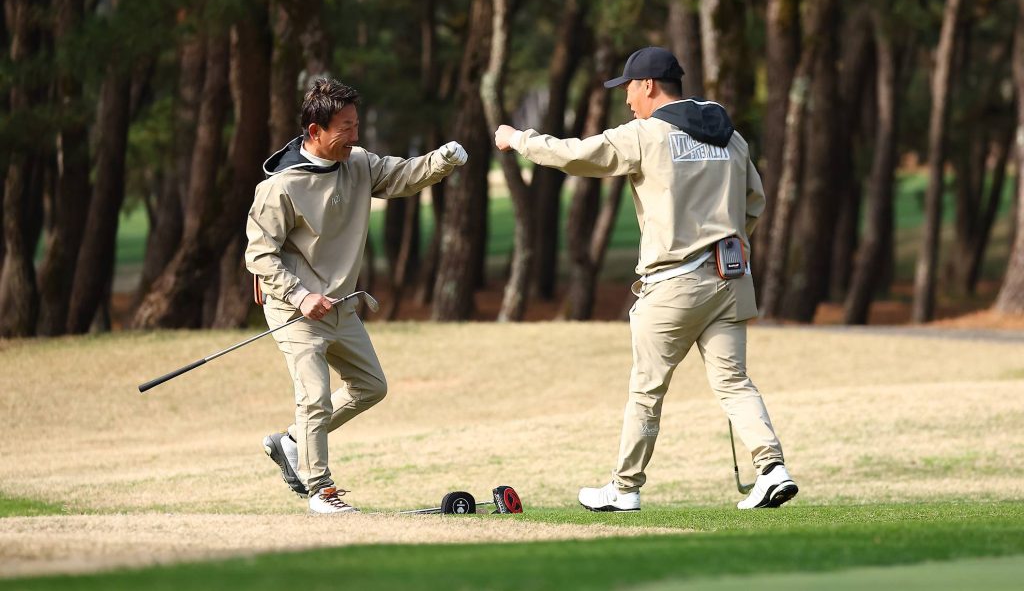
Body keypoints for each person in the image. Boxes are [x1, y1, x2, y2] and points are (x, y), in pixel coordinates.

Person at [494, 47, 797, 511]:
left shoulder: (645, 135)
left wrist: (519, 139)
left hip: (673, 285)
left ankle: (624, 488)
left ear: (649, 85)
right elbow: (754, 200)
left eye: (629, 88)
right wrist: (729, 242)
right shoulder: (730, 137)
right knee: (734, 382)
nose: (627, 99)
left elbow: (576, 155)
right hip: (730, 278)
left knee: (646, 391)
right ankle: (772, 468)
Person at [246, 77, 467, 514]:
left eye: (356, 125)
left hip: (341, 305)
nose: (354, 135)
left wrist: (441, 160)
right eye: (345, 127)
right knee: (314, 396)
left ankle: (292, 442)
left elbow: (401, 176)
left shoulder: (359, 163)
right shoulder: (281, 187)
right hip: (295, 311)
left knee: (370, 387)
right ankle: (319, 490)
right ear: (315, 131)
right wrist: (300, 295)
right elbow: (259, 254)